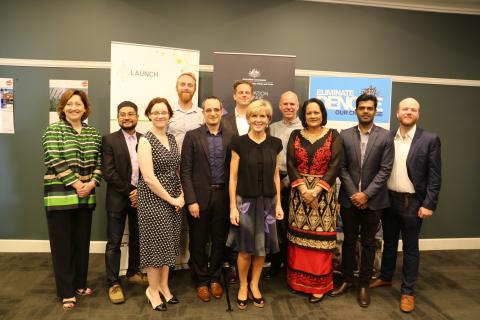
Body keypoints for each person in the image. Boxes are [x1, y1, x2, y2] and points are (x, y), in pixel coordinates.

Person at [369, 98, 441, 313]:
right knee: (389, 243)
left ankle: (408, 291)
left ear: (418, 114)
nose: (409, 112)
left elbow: (435, 176)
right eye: (405, 109)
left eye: (413, 109)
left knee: (410, 248)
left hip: (413, 202)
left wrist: (429, 204)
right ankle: (385, 277)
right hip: (388, 200)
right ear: (397, 114)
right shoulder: (387, 137)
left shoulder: (429, 139)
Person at [330, 93, 394, 308]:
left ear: (375, 111)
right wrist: (354, 193)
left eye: (370, 108)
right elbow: (342, 167)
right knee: (348, 241)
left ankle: (364, 284)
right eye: (362, 108)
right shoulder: (345, 135)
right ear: (355, 110)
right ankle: (347, 280)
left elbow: (385, 170)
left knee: (368, 243)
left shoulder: (386, 136)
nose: (366, 111)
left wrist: (366, 194)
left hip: (374, 201)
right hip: (349, 200)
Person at [42, 89, 101, 310]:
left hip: (86, 197)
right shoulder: (53, 130)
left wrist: (92, 183)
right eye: (69, 104)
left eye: (78, 104)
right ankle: (66, 291)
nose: (74, 108)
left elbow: (100, 163)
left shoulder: (93, 133)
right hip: (59, 197)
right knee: (62, 246)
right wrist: (77, 185)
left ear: (85, 108)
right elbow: (54, 159)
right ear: (63, 107)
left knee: (81, 243)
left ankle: (79, 284)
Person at [227, 99, 284, 310]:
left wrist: (278, 204)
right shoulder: (238, 143)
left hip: (268, 203)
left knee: (261, 249)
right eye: (254, 116)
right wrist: (233, 206)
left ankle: (254, 284)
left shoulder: (275, 143)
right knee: (244, 250)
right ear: (248, 118)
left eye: (263, 116)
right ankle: (243, 285)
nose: (258, 120)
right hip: (245, 204)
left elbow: (276, 175)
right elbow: (232, 178)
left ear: (268, 120)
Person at [286, 98, 342, 303]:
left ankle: (317, 286)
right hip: (298, 195)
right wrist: (303, 189)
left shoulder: (333, 135)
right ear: (304, 115)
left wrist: (316, 190)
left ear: (323, 114)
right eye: (309, 113)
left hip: (324, 196)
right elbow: (290, 163)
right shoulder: (295, 135)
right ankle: (296, 282)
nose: (313, 116)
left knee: (320, 241)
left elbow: (335, 164)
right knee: (298, 239)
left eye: (316, 112)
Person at [180, 96, 234, 302]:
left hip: (223, 198)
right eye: (208, 110)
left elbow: (234, 172)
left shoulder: (230, 136)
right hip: (198, 199)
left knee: (220, 241)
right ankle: (201, 281)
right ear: (203, 113)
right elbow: (185, 171)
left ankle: (214, 279)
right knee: (199, 242)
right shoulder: (192, 136)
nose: (212, 113)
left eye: (216, 110)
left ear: (221, 112)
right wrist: (191, 200)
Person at [137, 97, 185, 312]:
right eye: (155, 112)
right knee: (155, 247)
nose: (159, 115)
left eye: (163, 112)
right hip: (153, 199)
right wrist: (172, 198)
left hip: (174, 197)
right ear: (149, 115)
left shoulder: (172, 139)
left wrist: (182, 194)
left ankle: (165, 286)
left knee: (169, 244)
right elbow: (148, 177)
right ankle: (152, 290)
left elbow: (177, 170)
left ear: (169, 115)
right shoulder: (145, 140)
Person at [102, 101, 147, 305]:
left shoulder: (144, 139)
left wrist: (141, 192)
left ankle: (133, 272)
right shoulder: (109, 140)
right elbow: (108, 173)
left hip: (141, 199)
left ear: (137, 117)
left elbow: (148, 170)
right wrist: (132, 191)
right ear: (118, 117)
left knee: (137, 238)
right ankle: (113, 282)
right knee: (114, 243)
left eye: (130, 114)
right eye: (122, 114)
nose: (127, 117)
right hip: (118, 199)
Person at [266, 91, 303, 279]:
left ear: (297, 106)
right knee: (274, 227)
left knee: (293, 227)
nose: (289, 107)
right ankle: (275, 264)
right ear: (279, 106)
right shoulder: (271, 128)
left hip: (296, 184)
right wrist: (277, 182)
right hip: (274, 182)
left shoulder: (305, 128)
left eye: (292, 104)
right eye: (285, 104)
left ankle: (292, 267)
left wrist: (286, 182)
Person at [168, 72, 204, 152]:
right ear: (176, 87)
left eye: (190, 85)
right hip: (172, 162)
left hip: (195, 162)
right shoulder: (167, 112)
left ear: (195, 89)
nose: (186, 88)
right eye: (182, 84)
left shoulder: (202, 114)